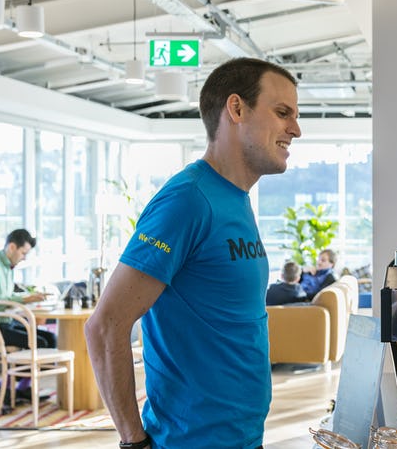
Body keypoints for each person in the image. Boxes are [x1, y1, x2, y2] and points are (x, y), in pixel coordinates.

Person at [85, 58, 301, 449]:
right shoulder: (187, 200)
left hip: (244, 438)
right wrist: (134, 442)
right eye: (282, 112)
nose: (296, 129)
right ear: (236, 109)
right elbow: (105, 326)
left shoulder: (236, 199)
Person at [0, 229, 55, 349]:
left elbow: (7, 295)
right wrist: (25, 299)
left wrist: (30, 296)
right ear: (12, 247)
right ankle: (31, 368)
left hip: (7, 322)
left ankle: (35, 368)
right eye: (23, 253)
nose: (24, 258)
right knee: (40, 343)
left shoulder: (8, 267)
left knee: (51, 338)